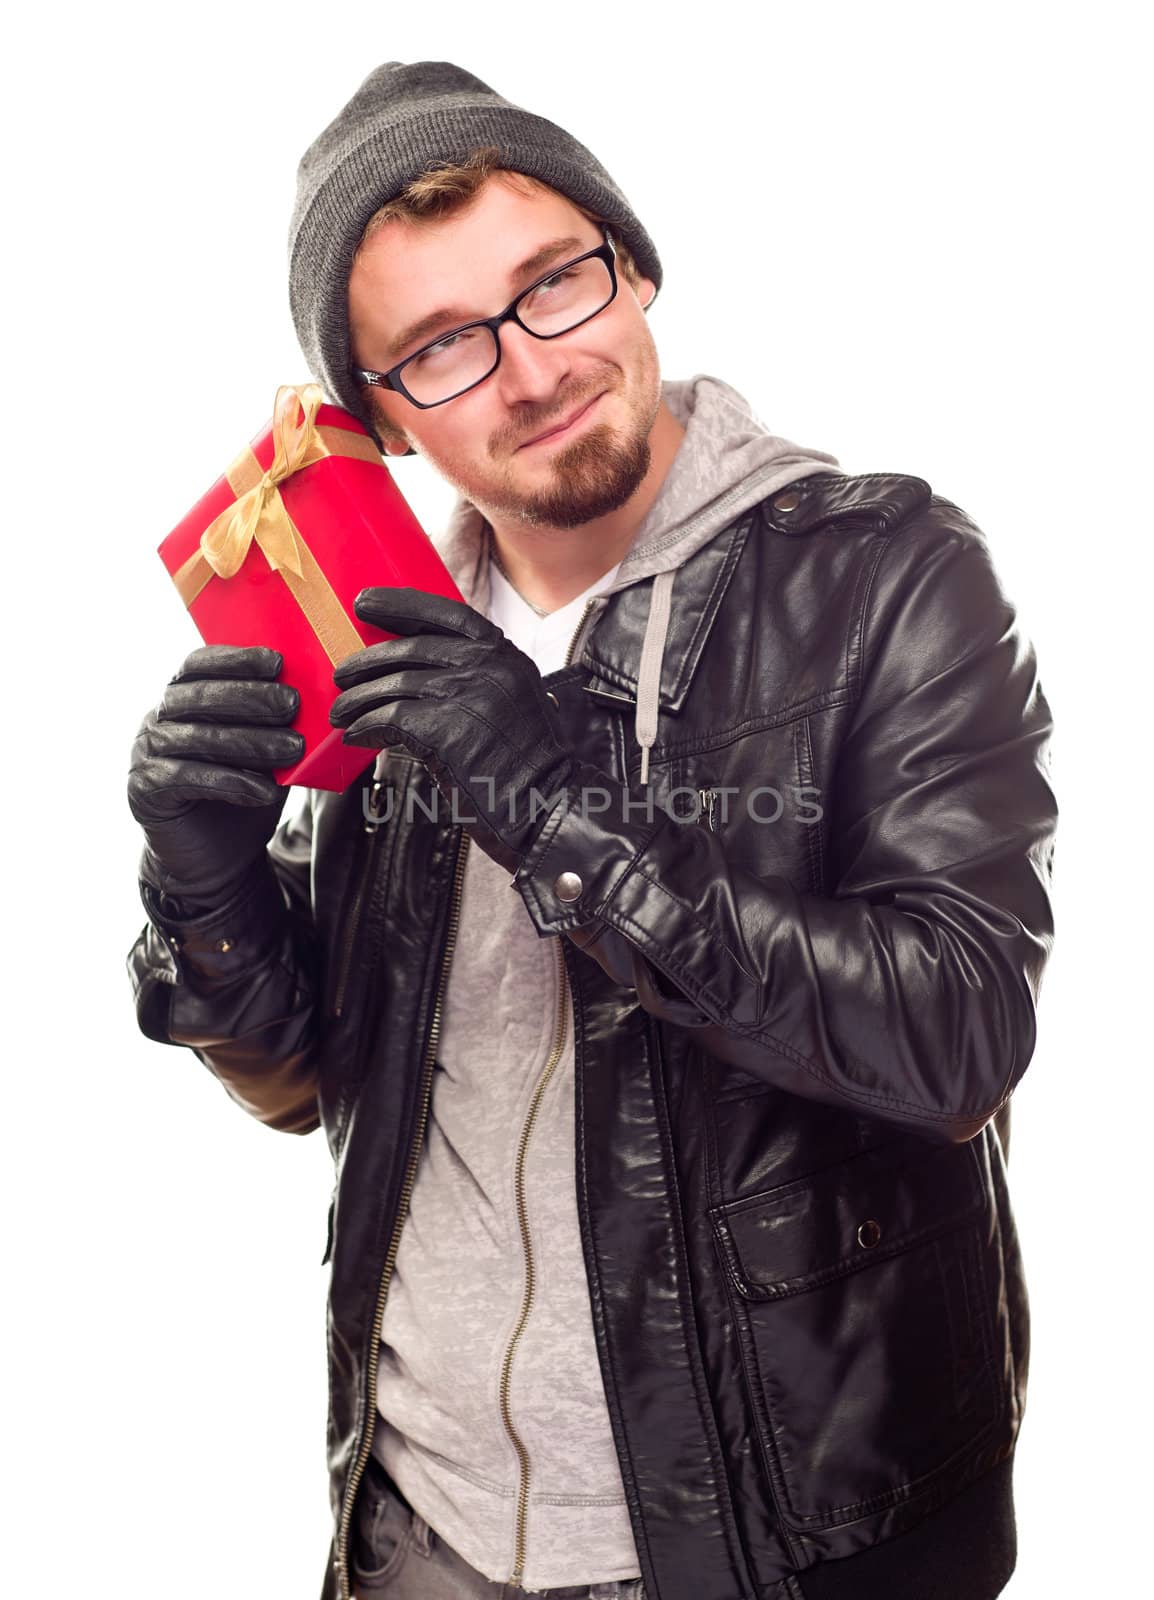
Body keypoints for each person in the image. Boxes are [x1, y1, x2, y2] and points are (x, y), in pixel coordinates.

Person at [126, 61, 1058, 1600]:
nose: (529, 367)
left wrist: (559, 807)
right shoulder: (375, 636)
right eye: (440, 346)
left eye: (552, 284)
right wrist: (202, 878)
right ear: (382, 419)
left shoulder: (882, 572)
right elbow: (301, 1085)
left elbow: (956, 1036)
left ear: (630, 269)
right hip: (415, 1526)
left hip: (788, 1544)